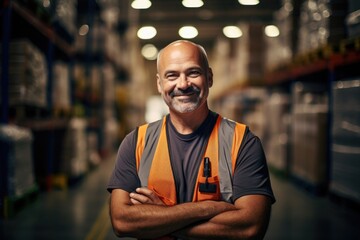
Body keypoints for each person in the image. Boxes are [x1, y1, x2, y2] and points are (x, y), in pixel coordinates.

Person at [107, 40, 275, 239]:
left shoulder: (242, 142)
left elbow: (250, 227)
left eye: (193, 72)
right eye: (172, 75)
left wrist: (161, 218)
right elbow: (121, 221)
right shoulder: (136, 142)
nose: (183, 84)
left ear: (209, 77)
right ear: (160, 84)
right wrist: (207, 208)